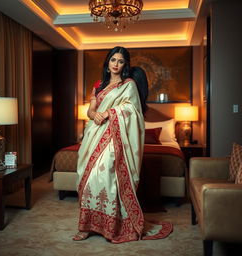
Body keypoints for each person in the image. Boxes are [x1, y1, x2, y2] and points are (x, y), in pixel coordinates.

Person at [73, 46, 171, 243]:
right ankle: (86, 226)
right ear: (107, 63)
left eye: (120, 61)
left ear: (125, 65)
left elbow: (132, 110)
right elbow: (90, 111)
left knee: (109, 178)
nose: (116, 64)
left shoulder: (129, 85)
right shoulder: (99, 85)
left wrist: (110, 112)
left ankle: (113, 226)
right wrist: (96, 114)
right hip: (95, 134)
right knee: (89, 178)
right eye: (113, 60)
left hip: (116, 137)